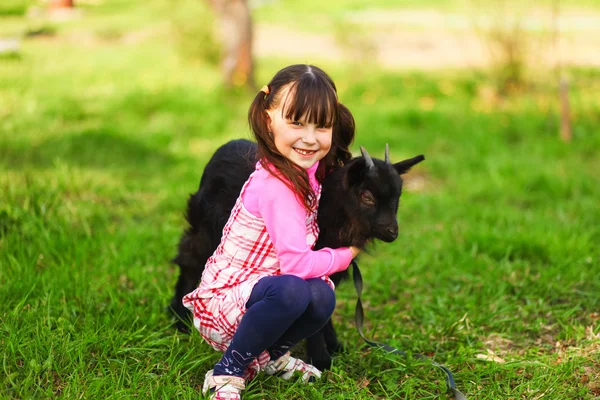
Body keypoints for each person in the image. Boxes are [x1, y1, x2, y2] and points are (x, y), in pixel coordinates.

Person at [182, 64, 360, 400]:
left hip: (263, 297)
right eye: (296, 123)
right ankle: (228, 370)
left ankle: (269, 358)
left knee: (322, 295)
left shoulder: (304, 171)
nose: (309, 138)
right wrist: (346, 254)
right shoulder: (276, 186)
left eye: (322, 126)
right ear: (268, 120)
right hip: (225, 304)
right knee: (294, 289)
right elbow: (295, 267)